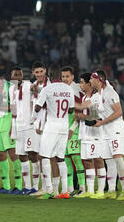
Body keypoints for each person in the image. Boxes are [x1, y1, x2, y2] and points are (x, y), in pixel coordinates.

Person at [76, 70, 124, 201]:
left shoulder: (110, 93)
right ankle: (111, 190)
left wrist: (102, 122)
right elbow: (83, 105)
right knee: (109, 160)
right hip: (105, 131)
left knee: (117, 158)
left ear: (98, 80)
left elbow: (119, 112)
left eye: (92, 79)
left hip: (116, 129)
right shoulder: (96, 96)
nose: (90, 81)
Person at [34, 64, 75, 200]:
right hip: (64, 126)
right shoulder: (69, 89)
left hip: (51, 126)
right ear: (60, 76)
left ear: (49, 76)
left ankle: (50, 191)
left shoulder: (47, 88)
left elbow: (38, 107)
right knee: (60, 159)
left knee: (45, 157)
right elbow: (71, 110)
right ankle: (64, 191)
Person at [73, 73, 105, 199]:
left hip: (95, 133)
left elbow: (94, 115)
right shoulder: (83, 97)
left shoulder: (97, 97)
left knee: (98, 159)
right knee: (87, 161)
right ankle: (90, 190)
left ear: (88, 84)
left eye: (81, 82)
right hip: (85, 133)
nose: (80, 85)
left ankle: (101, 191)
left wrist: (81, 116)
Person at [9, 66, 37, 195]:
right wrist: (11, 127)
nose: (18, 77)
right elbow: (12, 109)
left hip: (29, 126)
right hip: (18, 126)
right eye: (15, 75)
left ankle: (36, 187)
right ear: (11, 77)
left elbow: (35, 90)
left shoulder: (28, 85)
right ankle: (27, 185)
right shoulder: (10, 89)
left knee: (32, 154)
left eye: (19, 75)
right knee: (21, 155)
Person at [60, 66, 86, 196]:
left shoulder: (75, 91)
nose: (65, 79)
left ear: (72, 77)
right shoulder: (61, 90)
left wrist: (72, 129)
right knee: (67, 161)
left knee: (76, 159)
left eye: (67, 76)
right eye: (63, 76)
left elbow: (79, 112)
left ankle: (82, 188)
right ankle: (69, 189)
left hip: (73, 131)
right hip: (63, 131)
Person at [28, 62, 50, 196]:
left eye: (41, 71)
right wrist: (34, 121)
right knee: (39, 156)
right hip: (37, 125)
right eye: (37, 72)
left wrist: (42, 124)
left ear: (45, 71)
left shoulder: (50, 85)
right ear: (33, 73)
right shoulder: (34, 86)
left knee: (47, 156)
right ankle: (45, 186)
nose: (39, 74)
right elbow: (33, 104)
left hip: (48, 125)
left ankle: (49, 187)